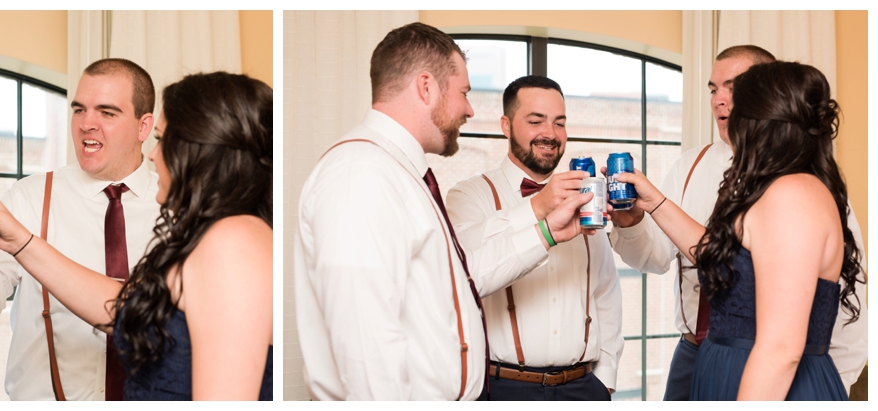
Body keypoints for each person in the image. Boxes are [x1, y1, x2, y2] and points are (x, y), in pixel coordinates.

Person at [293, 22, 593, 400]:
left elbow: (460, 286)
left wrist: (547, 232)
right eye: (464, 92)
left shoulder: (398, 173)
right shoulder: (362, 174)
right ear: (425, 87)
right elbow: (365, 348)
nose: (469, 109)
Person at [0, 71, 273, 400]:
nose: (153, 155)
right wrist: (21, 242)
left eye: (160, 139)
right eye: (79, 110)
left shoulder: (234, 244)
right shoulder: (216, 236)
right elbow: (121, 306)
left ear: (197, 151)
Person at [607, 45, 868, 400]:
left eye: (736, 96)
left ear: (758, 117)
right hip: (720, 366)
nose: (722, 104)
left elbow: (781, 349)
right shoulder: (774, 185)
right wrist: (654, 200)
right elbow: (724, 255)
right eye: (715, 90)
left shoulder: (791, 196)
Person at [0, 58, 162, 400]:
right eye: (79, 110)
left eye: (107, 113)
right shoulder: (31, 197)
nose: (86, 124)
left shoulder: (175, 204)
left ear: (144, 127)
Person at [446, 75, 623, 400]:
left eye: (559, 122)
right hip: (503, 389)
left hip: (584, 389)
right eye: (535, 120)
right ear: (506, 125)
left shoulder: (585, 196)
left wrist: (605, 379)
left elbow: (605, 292)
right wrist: (539, 207)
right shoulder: (468, 196)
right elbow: (466, 271)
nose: (550, 134)